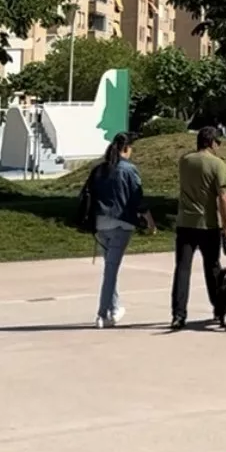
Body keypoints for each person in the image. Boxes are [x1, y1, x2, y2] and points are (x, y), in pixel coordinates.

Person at [89, 133, 155, 328]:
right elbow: (138, 198)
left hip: (101, 224)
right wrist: (150, 221)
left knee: (110, 268)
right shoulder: (128, 170)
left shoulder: (100, 169)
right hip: (121, 224)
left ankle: (115, 307)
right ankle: (102, 313)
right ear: (126, 148)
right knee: (111, 270)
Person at [170, 126, 226, 330]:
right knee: (212, 267)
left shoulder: (185, 161)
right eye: (218, 143)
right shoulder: (217, 165)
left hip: (185, 223)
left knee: (182, 269)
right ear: (212, 142)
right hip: (208, 224)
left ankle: (178, 314)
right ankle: (218, 308)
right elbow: (222, 196)